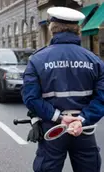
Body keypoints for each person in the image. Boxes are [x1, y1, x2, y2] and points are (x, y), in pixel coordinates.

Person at [21, 7, 104, 172]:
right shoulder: (94, 61)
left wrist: (59, 118)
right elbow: (102, 98)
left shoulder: (37, 59)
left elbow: (31, 98)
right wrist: (80, 119)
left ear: (52, 29)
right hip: (83, 130)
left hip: (53, 130)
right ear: (78, 29)